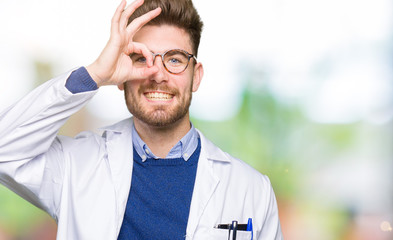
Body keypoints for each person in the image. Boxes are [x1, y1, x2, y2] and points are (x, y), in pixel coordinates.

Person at [0, 0, 283, 239]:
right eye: (141, 58)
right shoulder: (76, 166)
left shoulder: (252, 190)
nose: (157, 74)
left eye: (174, 59)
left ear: (195, 76)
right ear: (121, 76)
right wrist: (96, 74)